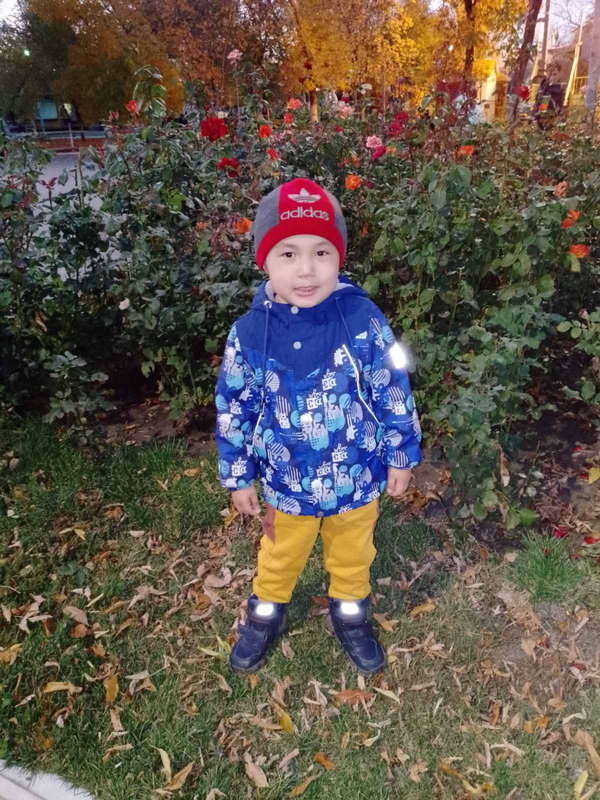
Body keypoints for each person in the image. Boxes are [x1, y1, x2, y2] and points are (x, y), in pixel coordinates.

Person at [215, 178, 422, 675]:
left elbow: (392, 383)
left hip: (357, 478)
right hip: (286, 486)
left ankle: (350, 613)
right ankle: (265, 614)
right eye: (288, 254)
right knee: (280, 554)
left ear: (339, 258)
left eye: (321, 253)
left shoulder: (364, 319)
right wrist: (239, 475)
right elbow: (233, 407)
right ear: (264, 260)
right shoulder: (248, 334)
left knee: (353, 553)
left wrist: (400, 454)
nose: (306, 269)